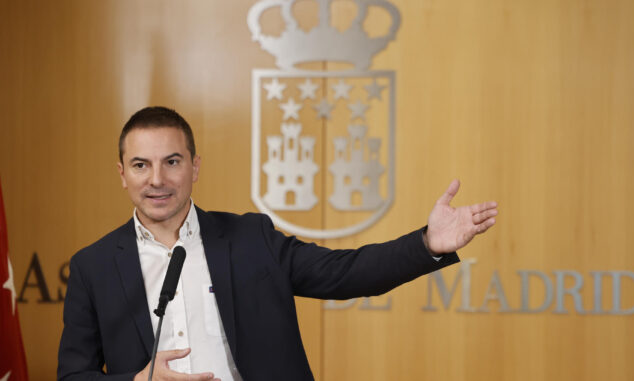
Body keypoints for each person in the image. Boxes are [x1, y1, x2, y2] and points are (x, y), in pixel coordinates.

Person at [57, 107, 498, 381]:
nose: (156, 179)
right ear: (122, 174)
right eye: (140, 165)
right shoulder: (93, 267)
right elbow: (73, 376)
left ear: (194, 167)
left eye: (172, 162)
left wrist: (427, 243)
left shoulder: (251, 239)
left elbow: (347, 273)